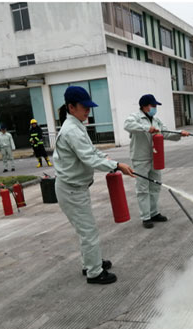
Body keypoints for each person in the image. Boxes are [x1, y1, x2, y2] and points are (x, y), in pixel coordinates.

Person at [53, 86, 135, 284]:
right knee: (88, 231)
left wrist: (108, 159)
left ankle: (91, 262)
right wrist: (116, 166)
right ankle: (94, 272)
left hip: (76, 188)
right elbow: (89, 158)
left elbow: (92, 151)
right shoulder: (72, 130)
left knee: (85, 230)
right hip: (71, 189)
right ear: (71, 107)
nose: (88, 111)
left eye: (89, 107)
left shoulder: (77, 125)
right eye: (84, 107)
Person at [123, 94, 190, 229]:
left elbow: (165, 133)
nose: (155, 108)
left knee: (155, 186)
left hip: (155, 157)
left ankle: (154, 213)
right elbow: (128, 125)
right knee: (142, 188)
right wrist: (147, 128)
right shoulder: (134, 118)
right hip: (140, 158)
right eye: (153, 106)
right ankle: (145, 217)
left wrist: (179, 133)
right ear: (145, 106)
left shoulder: (156, 120)